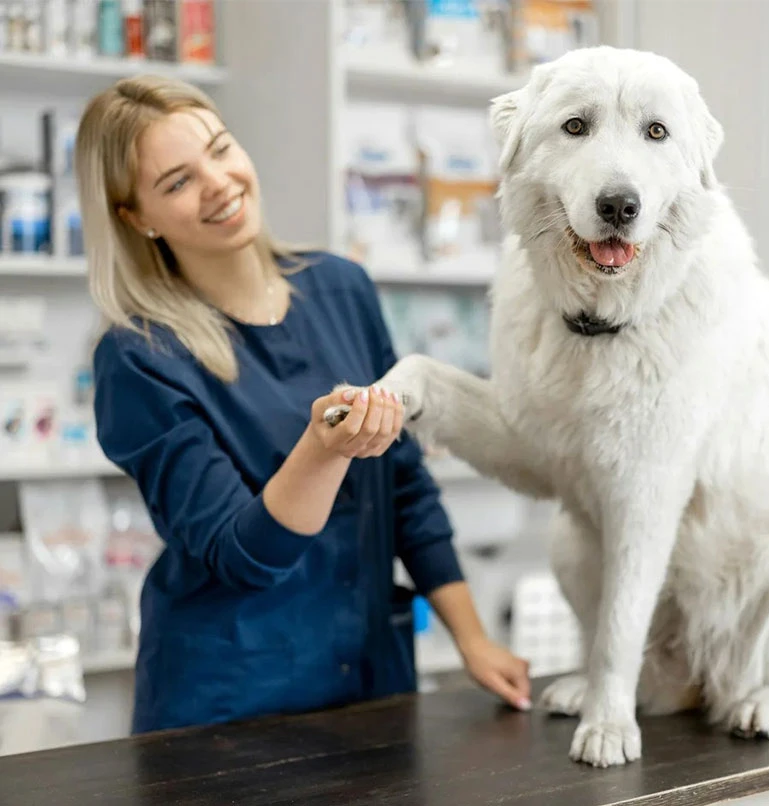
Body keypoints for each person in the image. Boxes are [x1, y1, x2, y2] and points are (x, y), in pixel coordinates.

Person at [75, 74, 531, 734]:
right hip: (230, 709)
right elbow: (241, 554)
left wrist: (471, 637)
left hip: (371, 682)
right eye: (176, 182)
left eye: (221, 149)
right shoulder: (139, 356)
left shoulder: (340, 287)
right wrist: (323, 452)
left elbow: (405, 485)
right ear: (136, 217)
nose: (219, 184)